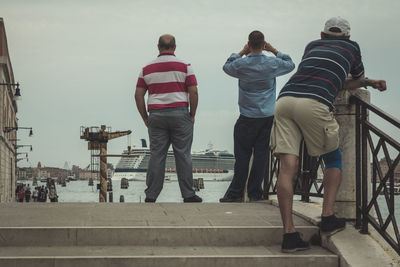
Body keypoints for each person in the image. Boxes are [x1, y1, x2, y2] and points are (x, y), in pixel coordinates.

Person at [271, 17, 387, 252]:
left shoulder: (312, 46)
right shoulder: (352, 47)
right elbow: (351, 80)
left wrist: (369, 82)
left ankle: (290, 235)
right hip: (314, 103)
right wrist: (368, 81)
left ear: (322, 35)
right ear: (347, 37)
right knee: (333, 159)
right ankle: (328, 217)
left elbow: (330, 77)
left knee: (287, 167)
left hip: (285, 100)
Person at [219, 31, 295, 202]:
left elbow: (226, 66)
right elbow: (290, 64)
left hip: (246, 116)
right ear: (263, 44)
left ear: (248, 43)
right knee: (261, 156)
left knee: (242, 157)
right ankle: (254, 193)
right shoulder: (272, 63)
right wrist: (274, 50)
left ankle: (236, 193)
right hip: (267, 117)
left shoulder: (241, 64)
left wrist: (241, 52)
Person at [135, 34, 202, 203]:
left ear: (158, 47)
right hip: (180, 114)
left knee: (157, 155)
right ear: (175, 47)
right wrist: (192, 114)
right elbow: (193, 92)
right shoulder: (185, 66)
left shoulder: (146, 69)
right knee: (183, 155)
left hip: (156, 115)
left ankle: (151, 195)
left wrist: (145, 118)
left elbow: (138, 95)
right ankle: (188, 194)